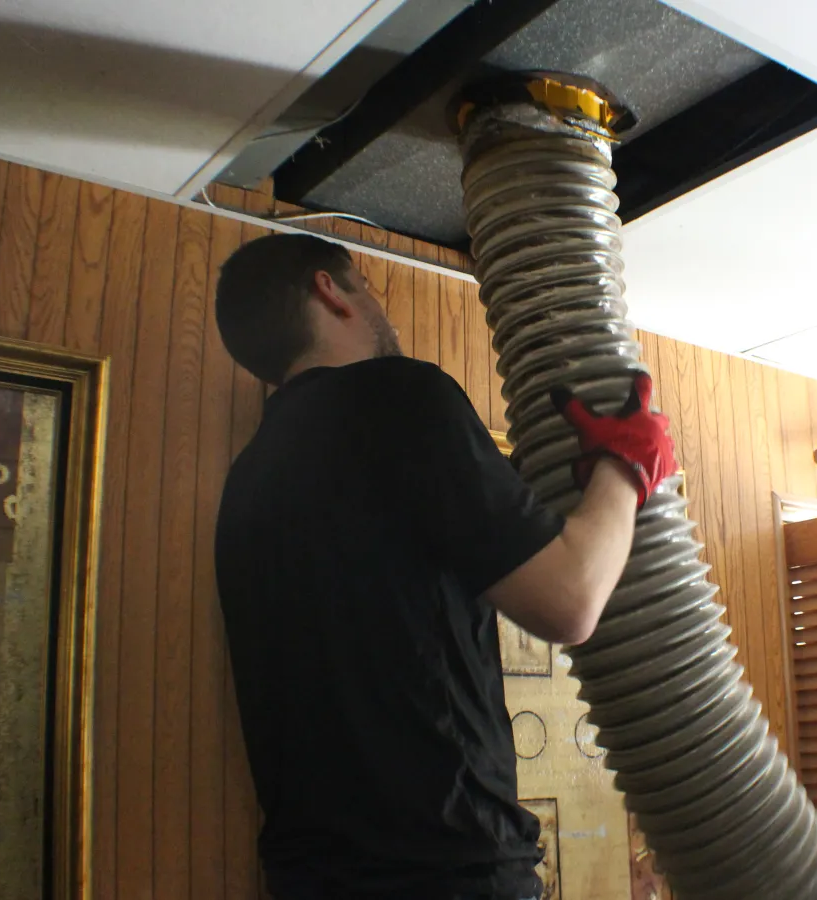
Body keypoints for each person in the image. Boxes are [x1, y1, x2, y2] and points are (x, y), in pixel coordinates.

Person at [211, 233, 676, 900]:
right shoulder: (399, 398)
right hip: (448, 873)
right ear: (329, 289)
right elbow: (571, 600)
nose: (380, 308)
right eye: (367, 287)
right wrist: (628, 466)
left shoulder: (249, 479)